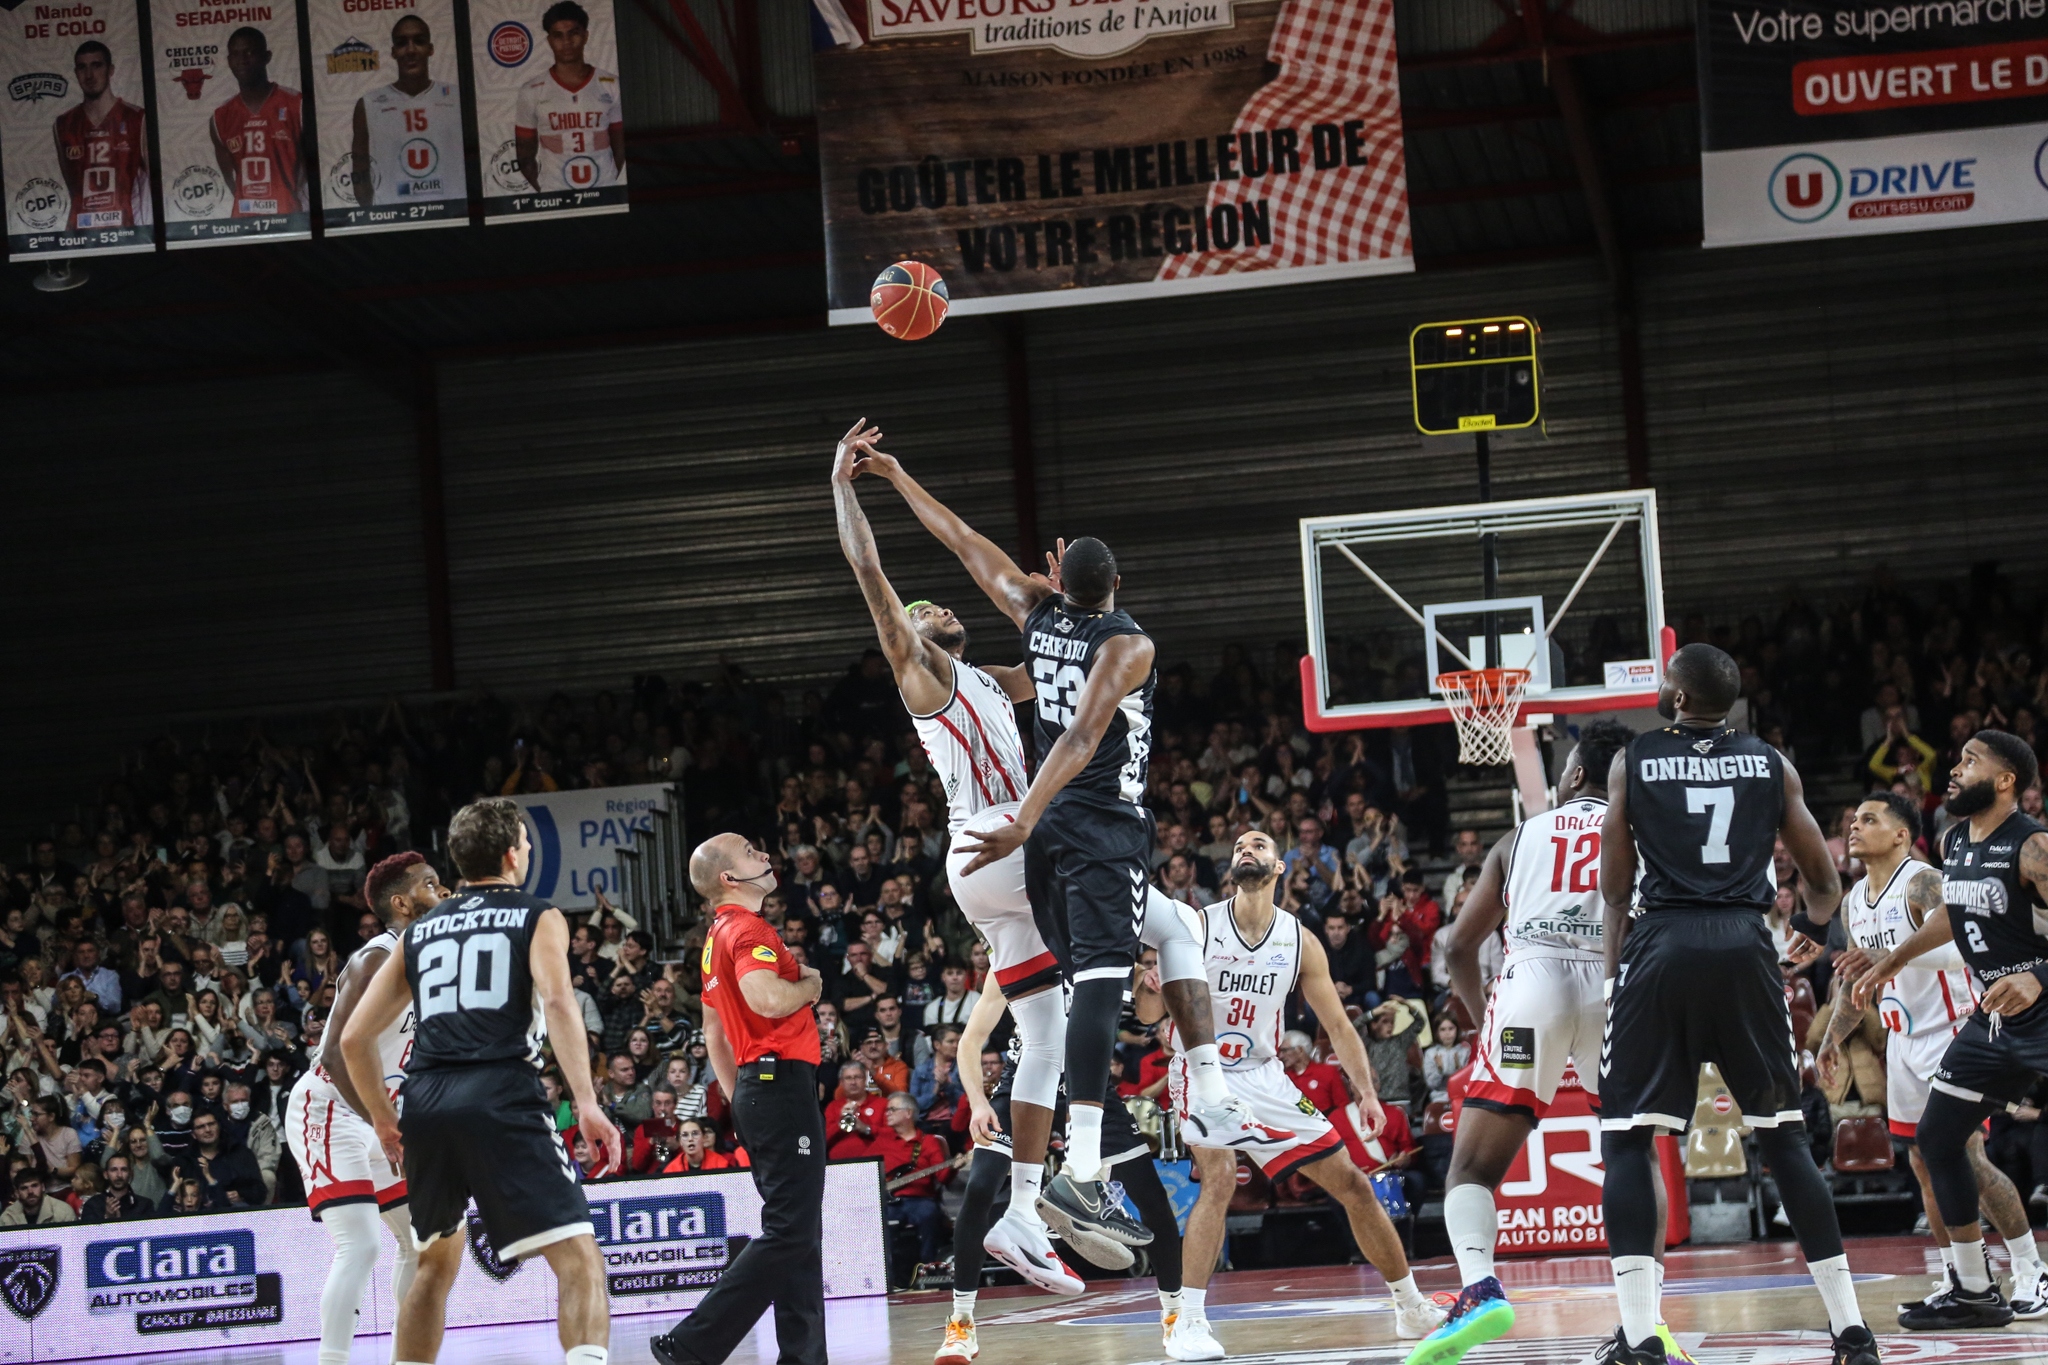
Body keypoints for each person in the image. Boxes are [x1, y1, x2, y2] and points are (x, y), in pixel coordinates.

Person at [833, 422, 1261, 1289]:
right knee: (1172, 930)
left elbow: (992, 574)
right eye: (925, 614)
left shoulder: (994, 670)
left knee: (1043, 1035)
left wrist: (1060, 596)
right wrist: (846, 489)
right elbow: (879, 580)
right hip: (1007, 838)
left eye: (939, 609)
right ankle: (1103, 1160)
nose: (936, 610)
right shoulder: (925, 672)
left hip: (996, 862)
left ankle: (1023, 1216)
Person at [1598, 644, 1876, 1365]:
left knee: (1629, 1137)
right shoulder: (1771, 761)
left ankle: (1637, 1339)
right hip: (1748, 944)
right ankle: (1850, 1327)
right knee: (1782, 1134)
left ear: (1680, 698)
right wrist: (1808, 942)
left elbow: (1614, 885)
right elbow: (1822, 880)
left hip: (1662, 943)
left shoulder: (1635, 758)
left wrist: (1612, 975)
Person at [1137, 830, 1443, 1361]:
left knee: (1353, 1184)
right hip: (1201, 1069)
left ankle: (1410, 1306)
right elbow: (1148, 1017)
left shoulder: (1299, 940)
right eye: (1237, 847)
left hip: (1265, 1075)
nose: (1245, 851)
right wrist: (1146, 989)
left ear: (1280, 868)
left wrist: (1367, 1094)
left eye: (1257, 845)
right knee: (1219, 1178)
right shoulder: (1198, 924)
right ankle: (1186, 1323)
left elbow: (1341, 1028)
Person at [340, 800, 620, 1365]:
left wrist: (385, 1120)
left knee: (433, 1266)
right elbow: (562, 1003)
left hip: (426, 1101)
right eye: (527, 842)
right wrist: (586, 1101)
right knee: (579, 1259)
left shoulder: (419, 933)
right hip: (501, 1092)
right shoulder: (537, 915)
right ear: (513, 854)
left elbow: (352, 1040)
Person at [1412, 721, 1644, 1365]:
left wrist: (1484, 1010)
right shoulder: (1640, 834)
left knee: (1473, 1168)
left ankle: (1480, 1289)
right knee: (1631, 1156)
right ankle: (1642, 1325)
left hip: (1530, 985)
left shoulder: (1521, 838)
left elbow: (1458, 945)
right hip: (1612, 981)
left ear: (1572, 775)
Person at [1805, 792, 2046, 1324]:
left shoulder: (1923, 881)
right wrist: (1833, 1040)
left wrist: (1890, 956)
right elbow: (1858, 980)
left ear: (1900, 835)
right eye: (1851, 821)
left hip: (1954, 1030)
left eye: (1869, 819)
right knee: (1922, 1162)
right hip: (1902, 1039)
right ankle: (1961, 1276)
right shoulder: (1852, 901)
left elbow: (1968, 944)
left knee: (1968, 1158)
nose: (1854, 827)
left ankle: (2032, 1269)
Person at [944, 974, 1190, 1365]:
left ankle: (1178, 1316)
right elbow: (970, 1041)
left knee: (1152, 1198)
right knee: (979, 1190)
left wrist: (1149, 987)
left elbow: (1145, 1015)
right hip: (1024, 1080)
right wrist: (977, 1101)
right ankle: (961, 1324)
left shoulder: (1100, 947)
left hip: (1088, 1088)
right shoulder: (1017, 951)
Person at [650, 833, 827, 1365]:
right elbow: (767, 998)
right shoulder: (749, 929)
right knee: (791, 1230)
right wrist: (811, 986)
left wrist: (740, 1094)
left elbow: (713, 1030)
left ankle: (803, 1358)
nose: (766, 857)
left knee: (799, 1231)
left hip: (759, 1087)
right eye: (752, 853)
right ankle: (693, 1344)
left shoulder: (715, 938)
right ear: (730, 879)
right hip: (779, 1085)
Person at [286, 850, 444, 1365]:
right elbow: (335, 1052)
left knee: (420, 1244)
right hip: (330, 1107)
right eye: (430, 884)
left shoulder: (431, 960)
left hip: (384, 1116)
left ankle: (408, 1357)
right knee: (360, 1244)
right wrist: (381, 1120)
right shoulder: (376, 956)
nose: (441, 892)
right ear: (401, 902)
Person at [350, 15, 466, 208]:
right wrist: (373, 215)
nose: (410, 50)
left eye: (419, 41)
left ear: (431, 49)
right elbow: (360, 167)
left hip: (451, 218)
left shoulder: (458, 98)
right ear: (393, 52)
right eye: (402, 43)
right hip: (396, 220)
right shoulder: (369, 104)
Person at [513, 0, 624, 194]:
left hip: (605, 191)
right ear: (549, 41)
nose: (566, 42)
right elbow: (524, 154)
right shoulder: (531, 90)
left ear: (585, 36)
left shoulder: (611, 84)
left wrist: (610, 180)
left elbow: (620, 146)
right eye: (558, 35)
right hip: (555, 191)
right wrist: (544, 191)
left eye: (573, 33)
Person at [52, 40, 150, 233]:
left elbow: (150, 183)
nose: (89, 75)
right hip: (80, 233)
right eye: (82, 67)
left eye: (96, 65)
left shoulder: (137, 118)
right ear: (76, 73)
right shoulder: (63, 124)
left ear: (110, 70)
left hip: (126, 233)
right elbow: (73, 187)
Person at [208, 26, 306, 219]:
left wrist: (290, 197)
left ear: (267, 57)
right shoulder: (220, 117)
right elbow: (232, 179)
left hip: (291, 218)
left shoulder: (296, 104)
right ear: (229, 61)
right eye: (235, 54)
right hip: (245, 221)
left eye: (250, 52)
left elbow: (308, 162)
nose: (242, 60)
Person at [0, 1171, 75, 1225]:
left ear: (43, 1187)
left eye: (34, 1186)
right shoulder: (8, 1217)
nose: (30, 1192)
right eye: (24, 1188)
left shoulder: (63, 1211)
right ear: (17, 1193)